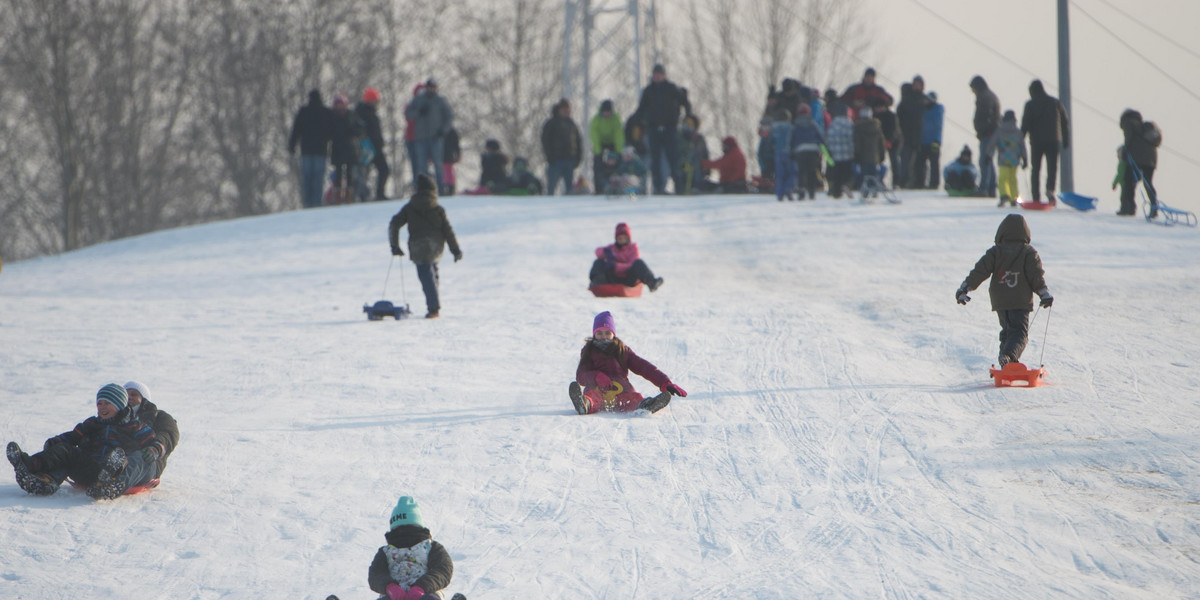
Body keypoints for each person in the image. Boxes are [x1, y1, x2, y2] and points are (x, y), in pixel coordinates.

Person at [7, 383, 158, 500]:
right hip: (92, 468)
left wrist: (154, 450)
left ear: (119, 405)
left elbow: (152, 442)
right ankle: (31, 467)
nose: (102, 407)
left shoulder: (134, 426)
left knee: (137, 457)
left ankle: (112, 485)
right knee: (66, 450)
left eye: (107, 403)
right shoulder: (92, 423)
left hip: (119, 469)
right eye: (99, 403)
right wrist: (55, 443)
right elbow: (73, 436)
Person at [956, 214, 1053, 367]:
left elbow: (980, 271)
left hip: (1000, 298)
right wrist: (1043, 293)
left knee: (1008, 331)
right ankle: (1009, 356)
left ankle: (1005, 362)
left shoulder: (995, 252)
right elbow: (1035, 276)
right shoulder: (1028, 252)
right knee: (1019, 333)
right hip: (1020, 299)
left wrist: (964, 288)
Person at [569, 311, 688, 415]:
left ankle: (645, 406)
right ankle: (585, 404)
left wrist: (664, 382)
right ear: (594, 334)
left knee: (632, 399)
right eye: (599, 333)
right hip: (597, 390)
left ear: (613, 334)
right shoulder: (589, 351)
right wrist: (597, 376)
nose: (603, 336)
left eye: (607, 333)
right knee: (594, 398)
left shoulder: (622, 351)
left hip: (622, 391)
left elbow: (644, 367)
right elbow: (581, 375)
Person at [388, 174, 463, 319]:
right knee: (432, 274)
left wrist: (394, 245)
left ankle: (434, 308)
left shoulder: (410, 208)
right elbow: (448, 231)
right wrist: (455, 250)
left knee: (426, 276)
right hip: (435, 247)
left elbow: (394, 224)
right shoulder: (438, 209)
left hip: (418, 248)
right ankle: (434, 306)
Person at [368, 496, 454, 600]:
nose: (403, 534)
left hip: (425, 594)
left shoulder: (432, 548)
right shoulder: (385, 552)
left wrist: (421, 587)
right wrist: (390, 586)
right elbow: (376, 575)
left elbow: (442, 571)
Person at [633, 64, 692, 194]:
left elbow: (685, 102)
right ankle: (658, 188)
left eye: (659, 75)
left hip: (670, 128)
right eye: (655, 75)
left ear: (664, 75)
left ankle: (680, 188)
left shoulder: (671, 88)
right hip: (653, 128)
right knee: (655, 160)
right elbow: (641, 109)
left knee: (673, 158)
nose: (657, 77)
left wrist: (688, 116)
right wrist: (637, 125)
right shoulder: (648, 91)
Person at [1020, 79, 1070, 203]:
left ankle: (1036, 196)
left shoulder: (1030, 104)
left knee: (1036, 169)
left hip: (1037, 141)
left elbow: (1025, 123)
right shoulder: (1055, 103)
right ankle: (1050, 190)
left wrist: (1020, 140)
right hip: (1054, 140)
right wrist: (1066, 138)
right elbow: (1065, 121)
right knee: (1052, 168)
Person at [405, 78, 454, 194]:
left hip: (436, 137)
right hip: (420, 138)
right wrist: (419, 112)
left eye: (433, 87)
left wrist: (443, 130)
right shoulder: (418, 100)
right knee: (421, 165)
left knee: (438, 164)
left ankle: (440, 189)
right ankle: (423, 190)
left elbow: (449, 116)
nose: (431, 89)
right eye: (429, 87)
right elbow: (408, 115)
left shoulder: (440, 101)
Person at [124, 381, 179, 480]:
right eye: (125, 395)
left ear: (144, 398)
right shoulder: (113, 415)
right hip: (120, 457)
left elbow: (168, 434)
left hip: (149, 461)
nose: (129, 397)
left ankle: (115, 485)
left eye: (134, 394)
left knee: (139, 456)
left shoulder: (160, 416)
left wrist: (156, 447)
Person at [288, 89, 333, 208]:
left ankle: (307, 202)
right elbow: (332, 132)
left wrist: (292, 146)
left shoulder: (304, 112)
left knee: (307, 178)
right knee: (318, 178)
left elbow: (296, 130)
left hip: (306, 151)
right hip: (321, 151)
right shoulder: (326, 112)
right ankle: (316, 202)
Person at [589, 222, 662, 291]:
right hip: (613, 278)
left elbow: (632, 264)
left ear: (628, 238)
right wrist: (605, 251)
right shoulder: (612, 248)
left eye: (625, 238)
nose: (622, 240)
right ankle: (596, 283)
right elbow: (597, 252)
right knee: (598, 262)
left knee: (638, 263)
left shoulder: (633, 248)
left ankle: (651, 282)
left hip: (629, 279)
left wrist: (616, 266)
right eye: (620, 238)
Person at [1117, 109, 1161, 217]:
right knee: (1148, 183)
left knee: (1129, 182)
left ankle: (1128, 208)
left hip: (1137, 158)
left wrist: (1124, 152)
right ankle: (1154, 208)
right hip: (1151, 158)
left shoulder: (1128, 122)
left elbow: (1128, 139)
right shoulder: (1142, 126)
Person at [540, 98, 583, 196]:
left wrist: (578, 158)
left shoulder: (572, 124)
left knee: (570, 190)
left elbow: (578, 141)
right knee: (551, 188)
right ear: (559, 109)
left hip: (569, 160)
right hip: (555, 160)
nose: (567, 112)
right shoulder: (551, 123)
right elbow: (545, 140)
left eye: (568, 110)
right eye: (565, 109)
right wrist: (549, 156)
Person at [329, 93, 365, 204]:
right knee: (338, 173)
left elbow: (361, 130)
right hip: (337, 149)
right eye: (338, 105)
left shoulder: (352, 115)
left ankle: (349, 195)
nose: (340, 107)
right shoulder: (332, 117)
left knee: (350, 173)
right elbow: (327, 132)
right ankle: (338, 196)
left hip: (350, 149)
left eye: (341, 104)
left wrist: (353, 131)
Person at [970, 75, 1001, 198]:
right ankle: (991, 188)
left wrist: (982, 129)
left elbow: (985, 116)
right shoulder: (988, 95)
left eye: (973, 88)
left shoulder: (985, 97)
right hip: (990, 133)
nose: (972, 91)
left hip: (988, 133)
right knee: (988, 160)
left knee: (984, 161)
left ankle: (984, 188)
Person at [356, 88, 390, 200]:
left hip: (376, 148)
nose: (377, 102)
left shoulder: (371, 113)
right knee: (365, 173)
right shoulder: (363, 113)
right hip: (367, 149)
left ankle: (379, 194)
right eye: (375, 100)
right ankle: (363, 195)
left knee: (383, 170)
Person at [896, 76, 926, 188]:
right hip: (905, 135)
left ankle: (917, 182)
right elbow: (898, 117)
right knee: (905, 160)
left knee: (918, 162)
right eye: (916, 84)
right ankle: (903, 182)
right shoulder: (906, 99)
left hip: (918, 136)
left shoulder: (923, 100)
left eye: (920, 84)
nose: (917, 86)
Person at [994, 110, 1028, 207]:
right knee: (1013, 178)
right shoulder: (1018, 132)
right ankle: (1014, 197)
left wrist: (988, 155)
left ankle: (1004, 195)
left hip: (1003, 158)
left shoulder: (999, 131)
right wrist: (1025, 159)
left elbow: (992, 143)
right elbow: (1022, 147)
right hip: (1014, 159)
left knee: (1003, 178)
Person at [791, 104, 825, 200]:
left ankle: (801, 190)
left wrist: (791, 151)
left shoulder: (796, 125)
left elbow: (792, 139)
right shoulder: (813, 124)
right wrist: (823, 147)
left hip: (800, 150)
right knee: (812, 171)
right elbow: (820, 137)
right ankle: (812, 191)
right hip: (813, 150)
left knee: (802, 171)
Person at [590, 99, 625, 187]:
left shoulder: (615, 119)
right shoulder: (596, 120)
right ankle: (599, 187)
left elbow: (619, 135)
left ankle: (619, 184)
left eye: (609, 112)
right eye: (605, 112)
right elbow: (594, 135)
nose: (607, 114)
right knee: (598, 164)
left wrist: (618, 151)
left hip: (612, 143)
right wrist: (598, 151)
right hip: (600, 143)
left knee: (617, 162)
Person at [914, 91, 944, 189]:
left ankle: (934, 183)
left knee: (934, 163)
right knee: (920, 162)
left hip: (933, 141)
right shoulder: (923, 110)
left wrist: (936, 140)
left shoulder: (937, 110)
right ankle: (919, 182)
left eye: (927, 100)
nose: (925, 102)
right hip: (923, 141)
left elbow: (937, 126)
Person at [853, 106, 886, 194]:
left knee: (865, 176)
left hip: (863, 157)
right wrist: (882, 155)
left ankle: (865, 193)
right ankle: (874, 192)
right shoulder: (876, 126)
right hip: (875, 157)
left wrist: (856, 155)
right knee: (874, 175)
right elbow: (881, 143)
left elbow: (857, 143)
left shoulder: (858, 127)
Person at [825, 105, 855, 199]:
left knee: (836, 174)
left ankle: (837, 192)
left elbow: (828, 139)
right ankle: (846, 185)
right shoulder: (849, 123)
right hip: (847, 153)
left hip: (835, 153)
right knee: (847, 172)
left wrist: (830, 151)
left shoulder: (833, 124)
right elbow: (852, 138)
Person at [873, 100, 903, 189]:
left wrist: (889, 140)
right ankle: (880, 180)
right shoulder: (875, 116)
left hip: (893, 143)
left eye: (880, 107)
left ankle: (896, 182)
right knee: (880, 162)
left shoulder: (891, 116)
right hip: (880, 143)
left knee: (894, 161)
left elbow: (894, 129)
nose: (878, 109)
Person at [675, 114, 708, 194]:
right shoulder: (678, 137)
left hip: (696, 171)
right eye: (686, 124)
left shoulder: (699, 138)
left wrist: (706, 170)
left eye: (691, 124)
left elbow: (704, 154)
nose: (688, 126)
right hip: (681, 168)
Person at [441, 127, 461, 196]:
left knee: (447, 172)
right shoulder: (451, 131)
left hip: (447, 155)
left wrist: (458, 154)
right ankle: (449, 187)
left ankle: (449, 187)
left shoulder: (450, 131)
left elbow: (456, 144)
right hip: (447, 155)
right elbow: (457, 145)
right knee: (447, 172)